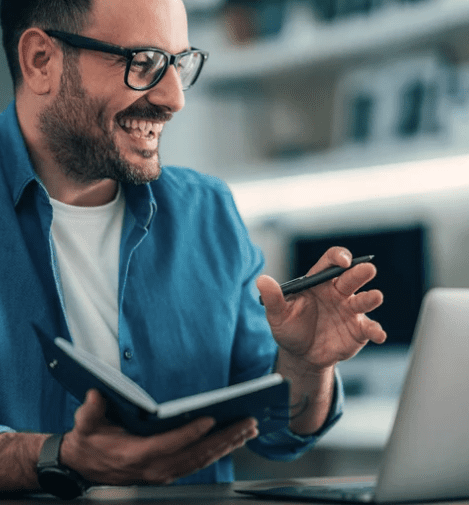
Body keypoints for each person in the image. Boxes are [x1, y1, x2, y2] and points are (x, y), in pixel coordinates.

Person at [0, 0, 386, 497]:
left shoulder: (208, 211)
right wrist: (57, 457)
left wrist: (307, 366)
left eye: (178, 63)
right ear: (40, 62)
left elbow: (276, 432)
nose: (174, 98)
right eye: (143, 63)